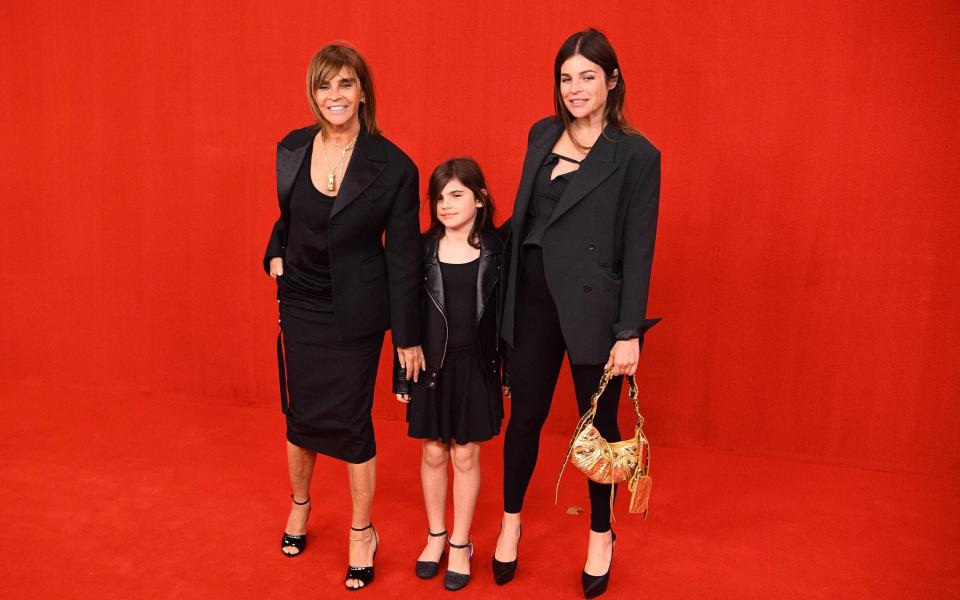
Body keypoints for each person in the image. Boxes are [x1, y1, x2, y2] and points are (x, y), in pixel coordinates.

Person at [494, 29, 662, 598]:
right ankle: (510, 522)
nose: (575, 88)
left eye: (588, 76)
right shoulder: (542, 134)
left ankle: (599, 534)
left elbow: (639, 248)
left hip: (595, 312)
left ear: (612, 80)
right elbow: (521, 225)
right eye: (566, 77)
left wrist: (628, 332)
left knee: (599, 433)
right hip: (532, 304)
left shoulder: (637, 154)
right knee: (525, 421)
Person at [262, 42, 425, 591]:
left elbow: (404, 256)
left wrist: (408, 337)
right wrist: (275, 252)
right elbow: (290, 216)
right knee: (301, 417)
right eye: (324, 85)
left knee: (352, 423)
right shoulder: (290, 148)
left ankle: (362, 531)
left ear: (363, 92)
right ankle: (301, 506)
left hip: (356, 310)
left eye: (345, 84)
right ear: (313, 93)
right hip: (302, 301)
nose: (335, 95)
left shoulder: (394, 166)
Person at [393, 158, 505, 592]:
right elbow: (404, 315)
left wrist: (506, 370)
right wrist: (402, 377)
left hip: (475, 366)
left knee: (466, 455)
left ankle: (461, 542)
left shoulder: (498, 249)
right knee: (434, 453)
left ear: (479, 198)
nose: (445, 204)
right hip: (431, 366)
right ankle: (436, 535)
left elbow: (509, 315)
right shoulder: (421, 250)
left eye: (457, 194)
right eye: (438, 197)